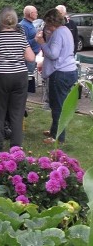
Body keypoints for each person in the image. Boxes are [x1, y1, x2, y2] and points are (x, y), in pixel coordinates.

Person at [0, 6, 35, 153]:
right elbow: (31, 57)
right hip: (20, 76)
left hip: (0, 76)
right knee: (17, 112)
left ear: (0, 20)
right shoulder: (21, 37)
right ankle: (16, 146)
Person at [35, 8, 78, 144]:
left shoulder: (58, 33)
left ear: (50, 21)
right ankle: (55, 130)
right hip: (69, 70)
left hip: (60, 73)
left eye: (47, 23)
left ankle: (57, 137)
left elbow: (53, 54)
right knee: (59, 104)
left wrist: (41, 43)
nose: (46, 26)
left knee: (57, 106)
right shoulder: (65, 30)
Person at [20, 5, 41, 74]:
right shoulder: (23, 26)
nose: (37, 14)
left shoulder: (30, 24)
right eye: (36, 12)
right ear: (31, 14)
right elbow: (22, 43)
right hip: (27, 59)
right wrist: (35, 39)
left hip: (32, 56)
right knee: (29, 78)